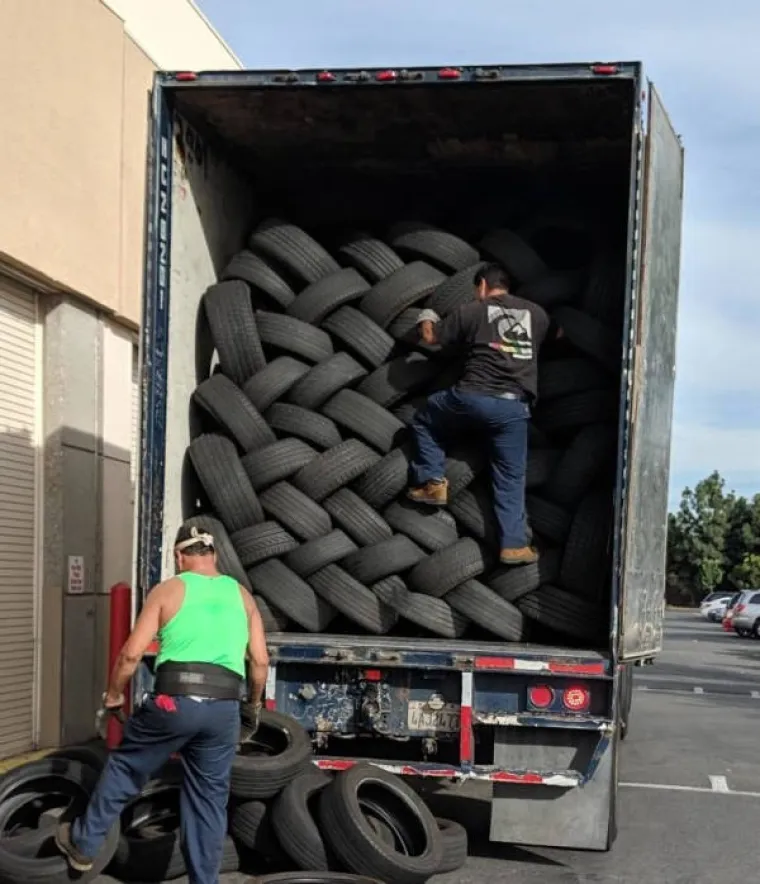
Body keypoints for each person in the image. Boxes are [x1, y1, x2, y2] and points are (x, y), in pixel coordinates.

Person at [55, 524, 269, 884]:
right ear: (214, 554)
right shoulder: (243, 596)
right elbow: (260, 663)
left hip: (174, 703)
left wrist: (113, 695)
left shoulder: (168, 589)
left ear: (178, 556)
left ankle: (84, 845)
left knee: (126, 769)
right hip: (223, 710)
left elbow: (131, 654)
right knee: (207, 800)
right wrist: (253, 707)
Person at [407, 262, 559, 565]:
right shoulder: (537, 314)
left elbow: (431, 339)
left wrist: (427, 317)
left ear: (483, 286)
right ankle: (513, 546)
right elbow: (558, 336)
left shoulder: (471, 311)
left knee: (425, 421)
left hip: (470, 398)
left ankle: (432, 483)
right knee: (511, 477)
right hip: (512, 409)